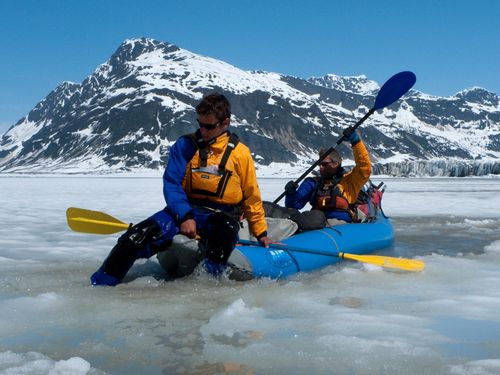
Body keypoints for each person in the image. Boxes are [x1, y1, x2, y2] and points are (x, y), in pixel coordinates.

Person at [91, 93, 272, 286]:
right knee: (134, 238)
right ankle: (101, 285)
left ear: (225, 123)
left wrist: (261, 233)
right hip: (184, 210)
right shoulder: (185, 145)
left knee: (221, 241)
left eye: (209, 126)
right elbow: (172, 183)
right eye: (200, 124)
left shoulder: (240, 154)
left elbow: (251, 196)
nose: (202, 130)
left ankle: (207, 289)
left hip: (222, 215)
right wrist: (185, 216)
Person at [283, 127, 371, 226]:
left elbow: (364, 167)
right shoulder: (313, 183)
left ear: (336, 164)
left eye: (324, 164)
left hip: (339, 223)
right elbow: (294, 204)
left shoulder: (349, 181)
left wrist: (355, 141)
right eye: (319, 164)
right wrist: (291, 193)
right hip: (315, 222)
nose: (320, 167)